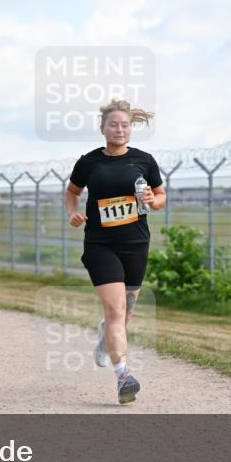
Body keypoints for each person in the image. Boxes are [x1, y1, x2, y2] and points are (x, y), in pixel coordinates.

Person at [65, 99, 166, 404]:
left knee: (123, 316)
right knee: (115, 310)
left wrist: (152, 199)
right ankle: (123, 375)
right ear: (102, 128)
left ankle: (105, 336)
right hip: (100, 244)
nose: (119, 129)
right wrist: (73, 212)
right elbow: (72, 192)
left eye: (125, 125)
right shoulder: (89, 162)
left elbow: (161, 197)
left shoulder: (144, 161)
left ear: (131, 129)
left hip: (135, 243)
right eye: (113, 124)